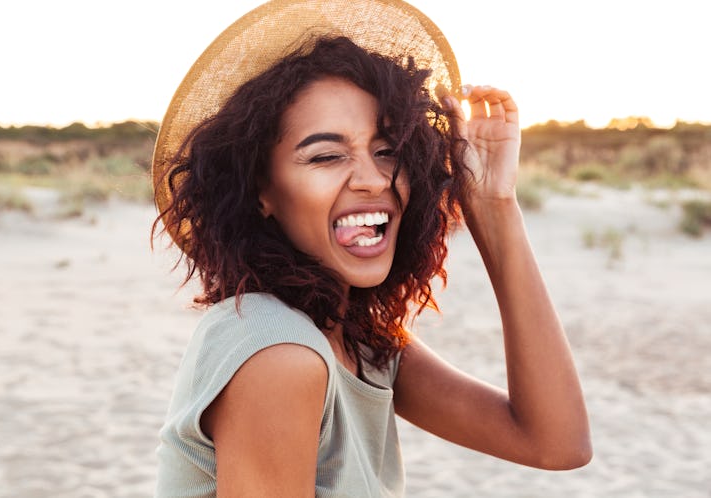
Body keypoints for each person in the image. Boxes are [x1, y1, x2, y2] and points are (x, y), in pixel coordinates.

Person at [151, 1, 591, 496]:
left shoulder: (356, 337)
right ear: (261, 193)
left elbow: (556, 443)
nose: (372, 178)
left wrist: (492, 204)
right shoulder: (277, 353)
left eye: (386, 151)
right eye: (326, 155)